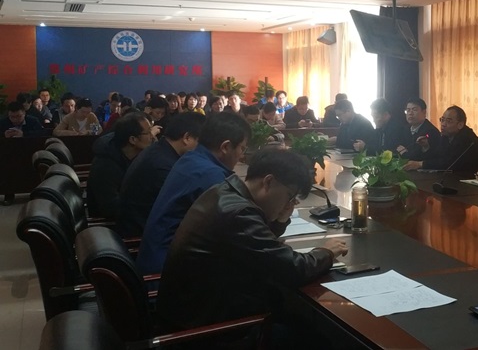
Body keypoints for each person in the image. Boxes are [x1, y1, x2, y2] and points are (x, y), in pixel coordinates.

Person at [156, 150, 348, 345]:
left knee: (297, 318)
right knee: (322, 338)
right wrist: (326, 252)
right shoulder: (238, 214)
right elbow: (292, 268)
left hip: (196, 313)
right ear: (268, 182)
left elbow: (257, 245)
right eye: (289, 196)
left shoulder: (225, 191)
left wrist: (280, 219)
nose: (289, 203)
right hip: (210, 333)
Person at [136, 112, 251, 275]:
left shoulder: (191, 159)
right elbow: (238, 233)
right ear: (225, 147)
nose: (242, 155)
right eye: (242, 148)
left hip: (157, 260)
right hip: (165, 275)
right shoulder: (211, 176)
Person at [117, 112, 205, 238]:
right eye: (201, 142)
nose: (203, 149)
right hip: (140, 237)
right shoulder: (164, 166)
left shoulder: (159, 150)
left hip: (141, 227)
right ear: (187, 138)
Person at [86, 112, 153, 219]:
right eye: (148, 132)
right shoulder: (105, 166)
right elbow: (111, 208)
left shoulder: (133, 155)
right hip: (111, 223)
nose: (152, 136)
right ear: (133, 140)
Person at [404, 105, 478, 176]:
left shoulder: (466, 137)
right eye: (442, 120)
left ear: (460, 124)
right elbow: (437, 155)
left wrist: (420, 164)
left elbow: (449, 163)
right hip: (455, 177)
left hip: (475, 179)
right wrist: (426, 147)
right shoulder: (446, 135)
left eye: (448, 121)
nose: (443, 124)